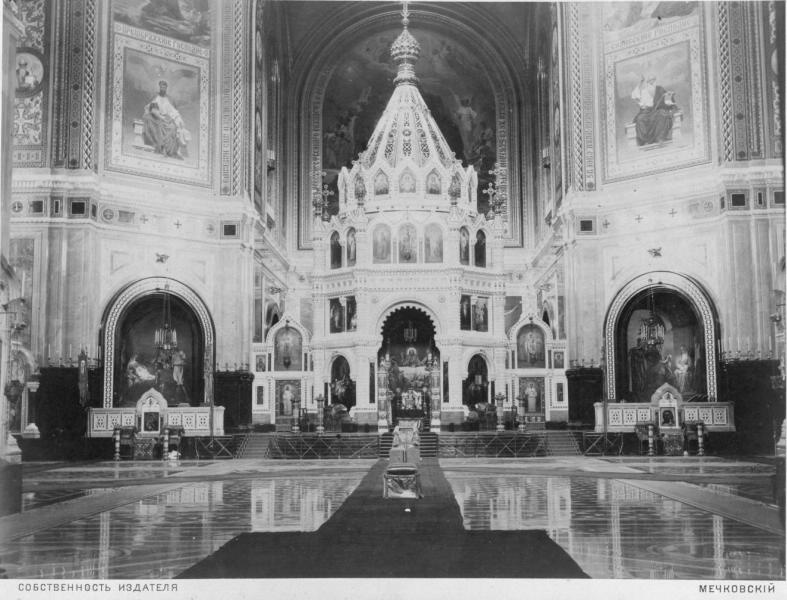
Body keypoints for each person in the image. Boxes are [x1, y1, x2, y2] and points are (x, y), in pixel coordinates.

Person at [142, 80, 191, 159]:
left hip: (165, 118)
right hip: (155, 117)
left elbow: (173, 111)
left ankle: (170, 150)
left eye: (164, 87)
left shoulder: (169, 99)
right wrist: (154, 114)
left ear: (166, 88)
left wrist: (179, 121)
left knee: (173, 127)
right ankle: (162, 147)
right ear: (159, 87)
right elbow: (150, 108)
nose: (163, 88)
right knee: (158, 124)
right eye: (161, 87)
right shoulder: (155, 97)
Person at [630, 74, 678, 146]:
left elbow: (667, 99)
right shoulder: (644, 91)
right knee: (640, 119)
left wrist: (669, 95)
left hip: (657, 110)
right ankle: (645, 141)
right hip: (647, 112)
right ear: (647, 82)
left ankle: (660, 138)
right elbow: (634, 95)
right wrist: (640, 82)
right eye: (649, 81)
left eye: (653, 80)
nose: (651, 82)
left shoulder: (659, 89)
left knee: (662, 115)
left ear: (655, 80)